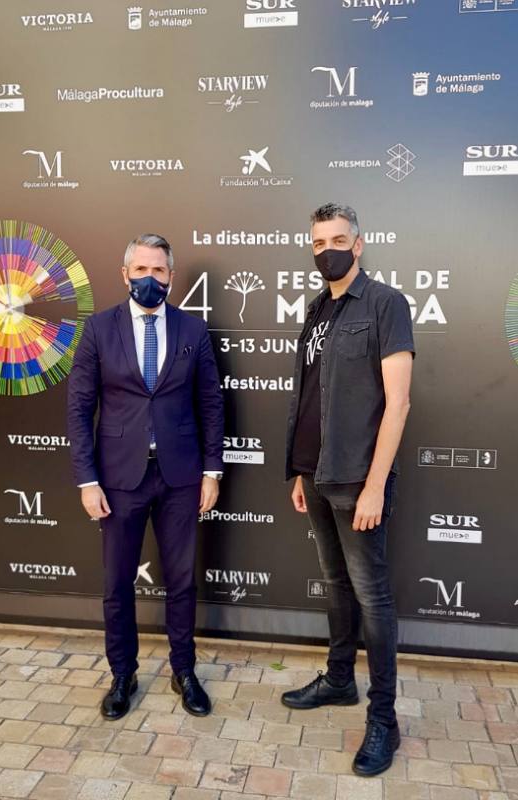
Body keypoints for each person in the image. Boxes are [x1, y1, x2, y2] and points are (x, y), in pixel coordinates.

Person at [68, 234, 224, 720]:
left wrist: (212, 471)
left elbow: (211, 403)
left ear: (171, 277)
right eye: (141, 270)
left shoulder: (193, 329)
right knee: (117, 583)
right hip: (118, 478)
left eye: (158, 271)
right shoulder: (98, 329)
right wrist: (87, 479)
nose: (150, 279)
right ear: (125, 274)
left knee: (182, 581)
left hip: (181, 476)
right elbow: (79, 408)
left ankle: (184, 671)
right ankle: (123, 675)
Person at [283, 203, 414, 777]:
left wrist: (375, 486)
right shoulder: (316, 310)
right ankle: (340, 680)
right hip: (315, 474)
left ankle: (384, 719)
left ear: (358, 244)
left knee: (372, 597)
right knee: (335, 584)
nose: (327, 250)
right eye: (319, 242)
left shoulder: (386, 304)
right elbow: (311, 395)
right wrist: (299, 471)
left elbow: (398, 404)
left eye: (338, 240)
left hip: (359, 479)